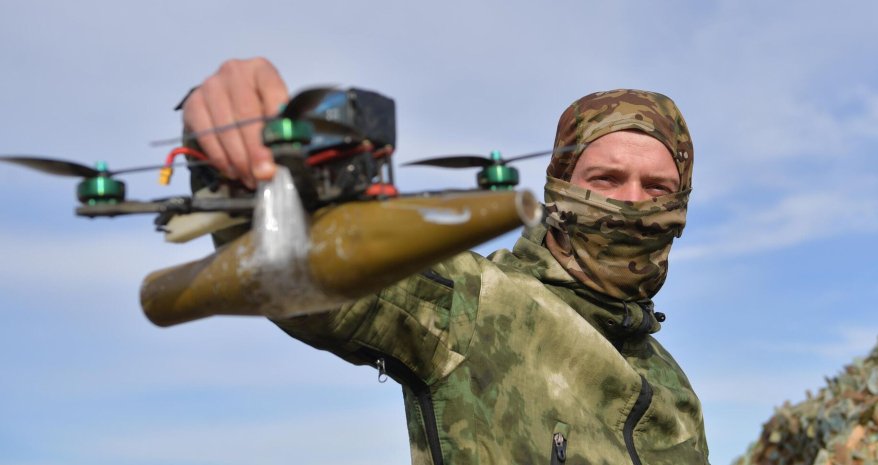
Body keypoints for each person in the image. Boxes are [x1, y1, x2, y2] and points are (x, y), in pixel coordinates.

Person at [182, 58, 709, 465]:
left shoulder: (676, 390)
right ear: (559, 189)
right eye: (606, 180)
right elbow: (309, 272)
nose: (632, 204)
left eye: (657, 187)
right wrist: (239, 171)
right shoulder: (475, 301)